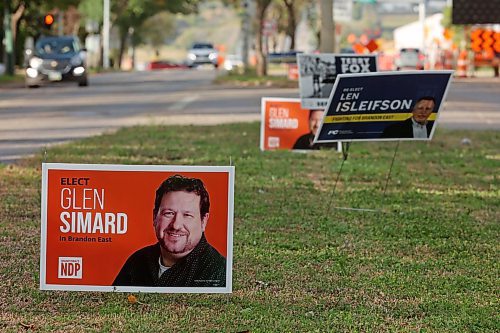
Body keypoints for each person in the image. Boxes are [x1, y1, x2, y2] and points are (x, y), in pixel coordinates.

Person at [113, 174, 226, 287]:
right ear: (154, 217)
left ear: (203, 221)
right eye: (169, 213)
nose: (176, 225)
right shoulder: (137, 261)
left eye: (187, 215)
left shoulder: (218, 271)